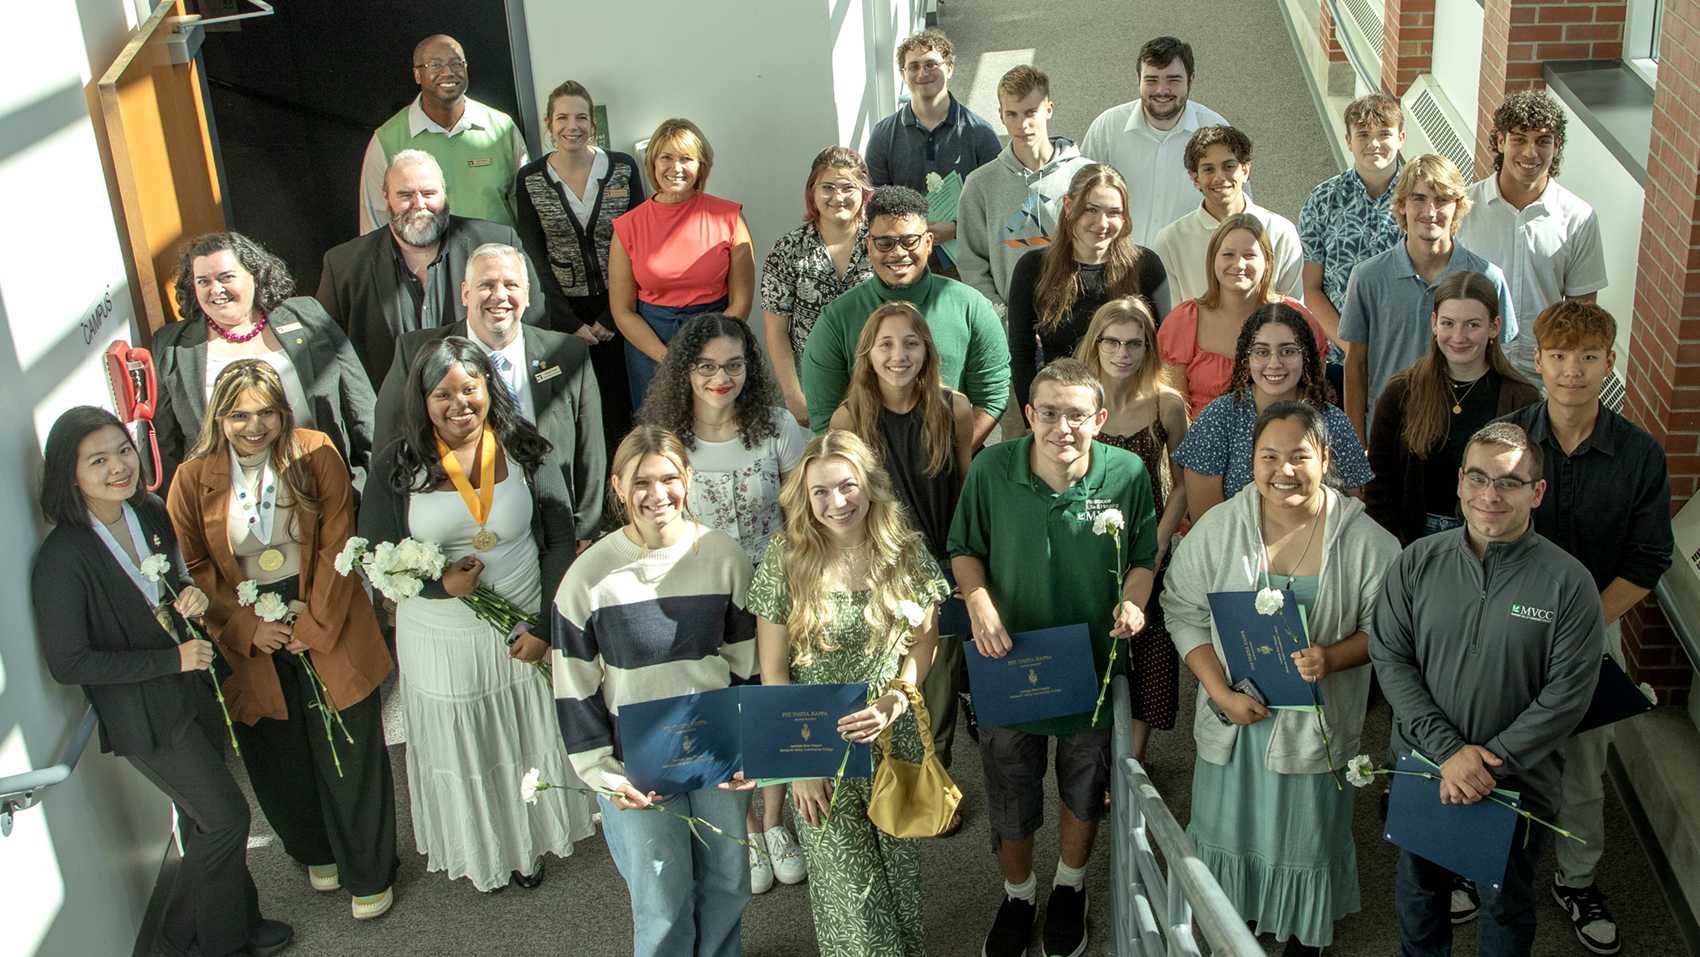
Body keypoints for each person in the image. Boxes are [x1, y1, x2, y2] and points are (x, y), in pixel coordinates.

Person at [32, 407, 293, 957]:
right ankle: (188, 941)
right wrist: (169, 662)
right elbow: (69, 663)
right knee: (227, 819)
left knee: (206, 820)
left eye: (123, 450)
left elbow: (169, 585)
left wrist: (188, 596)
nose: (118, 467)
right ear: (68, 473)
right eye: (97, 460)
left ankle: (236, 924)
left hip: (194, 692)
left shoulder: (146, 511)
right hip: (144, 715)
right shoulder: (62, 557)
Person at [1163, 401, 1401, 956]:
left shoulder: (1369, 544)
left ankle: (1301, 925)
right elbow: (1182, 608)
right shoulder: (1221, 526)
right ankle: (1234, 912)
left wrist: (1333, 658)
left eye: (1299, 456)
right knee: (1230, 827)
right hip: (1237, 721)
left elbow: (1390, 631)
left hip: (1313, 726)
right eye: (1268, 456)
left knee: (1305, 831)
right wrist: (1219, 693)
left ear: (1325, 457)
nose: (1283, 471)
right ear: (1251, 461)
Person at [359, 337, 594, 892]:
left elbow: (559, 540)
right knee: (468, 744)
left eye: (471, 388)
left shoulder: (526, 449)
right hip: (441, 636)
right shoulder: (397, 465)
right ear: (422, 398)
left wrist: (545, 627)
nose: (459, 403)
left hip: (524, 618)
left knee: (521, 734)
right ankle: (484, 847)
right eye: (443, 393)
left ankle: (527, 844)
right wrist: (440, 586)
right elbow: (374, 553)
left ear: (490, 388)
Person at [166, 360, 398, 919]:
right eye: (239, 414)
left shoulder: (315, 450)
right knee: (278, 751)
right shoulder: (192, 477)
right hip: (247, 626)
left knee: (350, 744)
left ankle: (369, 870)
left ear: (283, 411)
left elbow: (339, 543)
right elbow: (194, 563)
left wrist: (312, 625)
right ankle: (316, 849)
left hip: (325, 609)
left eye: (266, 412)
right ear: (218, 417)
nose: (254, 425)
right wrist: (248, 628)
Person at [949, 358, 1158, 957]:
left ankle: (1070, 888)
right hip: (1008, 664)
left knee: (1083, 784)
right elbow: (965, 549)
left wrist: (1134, 604)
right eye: (1047, 412)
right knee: (1010, 788)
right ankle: (1019, 893)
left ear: (1099, 418)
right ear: (1029, 415)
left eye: (1074, 414)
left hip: (1089, 664)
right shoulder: (991, 468)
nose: (1060, 427)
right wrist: (980, 604)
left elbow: (1143, 555)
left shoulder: (1129, 473)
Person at [1371, 421, 1604, 957]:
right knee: (1420, 893)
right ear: (1458, 483)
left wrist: (1486, 764)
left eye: (1508, 482)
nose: (1489, 495)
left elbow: (1567, 696)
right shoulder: (1417, 563)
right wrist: (1449, 753)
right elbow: (1392, 659)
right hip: (1427, 769)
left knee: (1506, 907)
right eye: (1477, 478)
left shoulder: (1568, 584)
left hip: (1517, 785)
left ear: (1537, 492)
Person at [1497, 302, 1672, 955]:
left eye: (1589, 357)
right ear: (1537, 360)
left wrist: (1576, 623)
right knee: (1498, 747)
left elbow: (1647, 558)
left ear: (1610, 363)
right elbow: (1479, 535)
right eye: (1560, 356)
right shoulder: (1505, 440)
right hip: (1509, 626)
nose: (1573, 371)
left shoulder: (1639, 455)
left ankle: (1577, 879)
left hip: (1595, 628)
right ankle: (1477, 860)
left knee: (1584, 767)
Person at [552, 426, 757, 957]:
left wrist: (747, 746)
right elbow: (575, 689)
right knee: (662, 902)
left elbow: (746, 662)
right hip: (633, 768)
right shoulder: (587, 578)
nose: (657, 493)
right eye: (641, 481)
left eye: (669, 477)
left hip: (717, 757)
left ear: (688, 478)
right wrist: (603, 775)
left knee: (728, 882)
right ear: (617, 487)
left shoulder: (725, 557)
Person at [744, 430, 949, 957]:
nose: (837, 503)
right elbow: (772, 671)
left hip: (890, 744)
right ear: (804, 498)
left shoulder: (907, 554)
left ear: (870, 486)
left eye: (847, 486)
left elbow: (925, 644)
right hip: (818, 753)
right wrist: (800, 766)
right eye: (820, 492)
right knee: (851, 902)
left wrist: (897, 699)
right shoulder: (784, 559)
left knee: (900, 892)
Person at [637, 313, 810, 889]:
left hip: (771, 586)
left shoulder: (778, 427)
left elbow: (801, 514)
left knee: (771, 699)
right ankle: (742, 828)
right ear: (686, 370)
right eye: (707, 366)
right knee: (722, 708)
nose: (721, 377)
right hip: (698, 592)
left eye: (733, 364)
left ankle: (773, 823)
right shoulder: (666, 438)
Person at [830, 300, 974, 787]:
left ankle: (937, 780)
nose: (899, 354)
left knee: (938, 683)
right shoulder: (848, 420)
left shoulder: (953, 408)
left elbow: (965, 494)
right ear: (868, 354)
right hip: (880, 568)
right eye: (886, 344)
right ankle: (889, 779)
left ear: (927, 352)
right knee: (887, 673)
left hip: (942, 564)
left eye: (911, 343)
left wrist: (966, 569)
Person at [373, 244, 606, 543]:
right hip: (451, 534)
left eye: (511, 285)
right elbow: (390, 448)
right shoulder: (416, 352)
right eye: (486, 285)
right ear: (465, 293)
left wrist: (584, 531)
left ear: (527, 293)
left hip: (552, 530)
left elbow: (590, 450)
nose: (499, 295)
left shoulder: (567, 353)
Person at [155, 231, 375, 495]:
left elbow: (360, 405)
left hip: (323, 485)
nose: (215, 289)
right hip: (231, 502)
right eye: (203, 281)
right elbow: (166, 443)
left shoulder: (306, 317)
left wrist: (377, 482)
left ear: (256, 276)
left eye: (226, 277)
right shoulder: (172, 346)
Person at [319, 150, 545, 388]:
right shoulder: (343, 264)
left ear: (444, 193)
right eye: (405, 195)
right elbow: (329, 357)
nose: (419, 205)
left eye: (429, 193)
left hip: (487, 409)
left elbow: (535, 327)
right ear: (385, 196)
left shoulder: (496, 242)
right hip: (395, 416)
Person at [801, 185, 1010, 442]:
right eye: (885, 242)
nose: (898, 253)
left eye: (909, 241)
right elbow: (825, 416)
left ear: (929, 242)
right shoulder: (837, 319)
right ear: (868, 246)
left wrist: (952, 459)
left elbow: (992, 396)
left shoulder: (972, 307)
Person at [1075, 297, 1189, 761]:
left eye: (1135, 344)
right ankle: (1091, 747)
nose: (1123, 354)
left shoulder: (1167, 403)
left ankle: (1131, 762)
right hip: (1088, 539)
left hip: (1149, 537)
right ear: (1096, 344)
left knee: (1151, 645)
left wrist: (1160, 541)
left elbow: (1183, 485)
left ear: (1149, 348)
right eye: (1113, 343)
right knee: (1095, 637)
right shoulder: (1079, 400)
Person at [1339, 155, 1517, 439]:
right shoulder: (1368, 277)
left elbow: (1501, 364)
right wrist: (1356, 447)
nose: (1430, 211)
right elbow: (1356, 365)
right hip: (1390, 431)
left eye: (1442, 199)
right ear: (1401, 205)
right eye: (1418, 199)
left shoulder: (1487, 278)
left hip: (1466, 432)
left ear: (1458, 206)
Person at [513, 79, 646, 453]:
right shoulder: (531, 179)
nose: (572, 126)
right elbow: (534, 254)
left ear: (593, 123)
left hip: (621, 306)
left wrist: (612, 314)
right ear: (548, 123)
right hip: (564, 313)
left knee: (624, 404)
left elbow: (639, 243)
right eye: (563, 118)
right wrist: (568, 322)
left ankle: (625, 488)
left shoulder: (622, 168)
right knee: (577, 410)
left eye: (581, 117)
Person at [1366, 271, 1540, 545]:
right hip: (1413, 540)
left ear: (1495, 327)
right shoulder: (1400, 392)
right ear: (1434, 323)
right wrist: (1394, 549)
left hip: (1493, 540)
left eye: (1472, 325)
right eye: (1448, 323)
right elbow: (1378, 486)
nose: (1458, 337)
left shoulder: (1522, 400)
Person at [1456, 90, 1608, 386]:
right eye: (1519, 139)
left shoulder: (1578, 218)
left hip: (1540, 380)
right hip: (1469, 371)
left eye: (1542, 141)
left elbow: (1581, 318)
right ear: (1500, 141)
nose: (1530, 153)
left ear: (1557, 146)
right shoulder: (1463, 210)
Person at [1174, 304, 1370, 520]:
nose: (1274, 363)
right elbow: (1207, 525)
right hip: (1234, 549)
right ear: (1246, 358)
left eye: (1287, 351)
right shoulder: (1217, 419)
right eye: (1262, 352)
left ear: (1305, 357)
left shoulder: (1333, 421)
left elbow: (1354, 509)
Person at [609, 118, 756, 408]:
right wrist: (669, 357)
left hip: (718, 339)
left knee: (720, 426)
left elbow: (742, 301)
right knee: (659, 436)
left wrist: (711, 355)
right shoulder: (627, 226)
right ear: (652, 162)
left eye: (686, 158)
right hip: (649, 346)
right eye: (666, 157)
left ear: (701, 165)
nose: (676, 168)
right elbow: (623, 311)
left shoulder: (730, 218)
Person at [1007, 165, 1170, 410]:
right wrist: (1036, 418)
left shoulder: (1145, 266)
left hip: (1131, 409)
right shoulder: (1033, 268)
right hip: (1062, 411)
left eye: (1114, 212)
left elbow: (1164, 349)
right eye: (1091, 209)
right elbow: (1021, 355)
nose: (1102, 223)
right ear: (1069, 206)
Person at [1157, 214, 1327, 417]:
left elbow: (1313, 402)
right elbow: (1174, 414)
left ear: (1267, 261)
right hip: (1205, 444)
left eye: (1249, 255)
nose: (1239, 264)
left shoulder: (1300, 319)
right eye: (1228, 255)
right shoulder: (1183, 322)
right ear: (1213, 260)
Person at [956, 65, 1094, 312]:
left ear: (1049, 110)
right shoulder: (979, 184)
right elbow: (971, 264)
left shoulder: (1086, 177)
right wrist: (1002, 319)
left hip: (1078, 321)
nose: (1023, 125)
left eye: (1031, 112)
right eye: (1013, 114)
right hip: (1009, 330)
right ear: (1001, 116)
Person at [357, 34, 528, 232]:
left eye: (456, 64)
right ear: (417, 74)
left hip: (496, 259)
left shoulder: (502, 129)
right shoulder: (387, 140)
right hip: (426, 262)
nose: (448, 73)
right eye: (435, 65)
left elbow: (526, 210)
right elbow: (375, 224)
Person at [863, 26, 1002, 271]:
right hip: (903, 263)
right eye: (913, 66)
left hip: (966, 264)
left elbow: (997, 203)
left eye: (931, 64)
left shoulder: (980, 133)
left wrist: (958, 228)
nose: (922, 73)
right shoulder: (884, 135)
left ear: (949, 68)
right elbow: (873, 204)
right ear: (903, 74)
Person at [761, 146, 876, 427]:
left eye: (848, 187)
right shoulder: (788, 249)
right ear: (812, 191)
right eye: (827, 187)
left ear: (863, 192)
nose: (838, 197)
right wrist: (794, 396)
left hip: (877, 377)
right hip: (811, 381)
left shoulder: (881, 243)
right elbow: (776, 331)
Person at [1079, 36, 1232, 245]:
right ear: (1138, 79)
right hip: (1118, 269)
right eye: (1152, 80)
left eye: (1173, 80)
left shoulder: (1219, 135)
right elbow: (1081, 204)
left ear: (1191, 79)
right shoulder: (1105, 130)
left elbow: (1236, 212)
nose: (1162, 90)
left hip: (1188, 273)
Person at [1297, 93, 1407, 377]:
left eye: (1384, 134)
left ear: (1401, 138)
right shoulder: (1322, 200)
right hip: (1338, 358)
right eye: (1363, 134)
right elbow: (1311, 288)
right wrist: (1352, 347)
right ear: (1348, 141)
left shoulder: (1420, 199)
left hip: (1407, 357)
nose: (1374, 143)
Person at [1151, 125, 1303, 304]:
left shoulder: (1281, 232)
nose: (1219, 178)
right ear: (1195, 178)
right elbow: (1174, 318)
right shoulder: (1171, 241)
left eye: (1229, 166)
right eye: (1208, 169)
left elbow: (1294, 310)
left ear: (1245, 171)